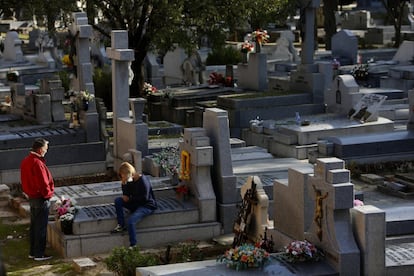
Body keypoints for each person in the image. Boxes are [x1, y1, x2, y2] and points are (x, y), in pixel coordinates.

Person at [20, 138, 54, 261]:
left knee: (34, 225)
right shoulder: (37, 163)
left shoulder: (26, 161)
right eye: (46, 148)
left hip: (32, 197)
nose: (46, 151)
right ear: (40, 150)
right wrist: (48, 194)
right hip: (40, 198)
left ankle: (33, 252)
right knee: (41, 227)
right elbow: (43, 183)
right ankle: (39, 254)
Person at [111, 162, 157, 248]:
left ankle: (133, 244)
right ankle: (121, 225)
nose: (123, 178)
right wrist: (124, 185)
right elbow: (126, 194)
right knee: (118, 201)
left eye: (124, 176)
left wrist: (130, 199)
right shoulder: (128, 181)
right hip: (135, 203)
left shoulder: (143, 181)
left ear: (129, 174)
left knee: (131, 221)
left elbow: (145, 198)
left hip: (146, 205)